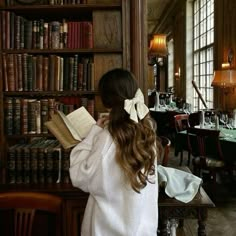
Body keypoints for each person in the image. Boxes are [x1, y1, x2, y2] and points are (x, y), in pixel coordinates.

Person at [69, 68, 160, 236]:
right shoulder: (147, 133)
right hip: (142, 229)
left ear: (106, 100)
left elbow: (78, 176)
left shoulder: (106, 138)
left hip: (105, 230)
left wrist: (93, 133)